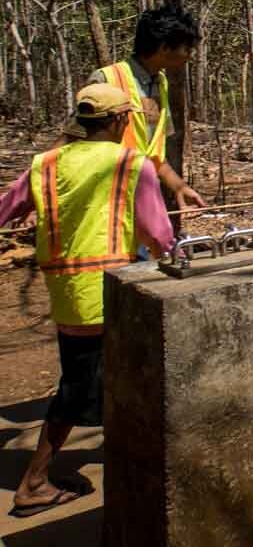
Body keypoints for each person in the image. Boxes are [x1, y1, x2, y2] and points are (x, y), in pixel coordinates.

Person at [0, 85, 174, 517]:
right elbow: (158, 234)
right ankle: (33, 484)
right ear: (118, 122)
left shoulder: (46, 164)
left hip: (66, 292)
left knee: (97, 378)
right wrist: (174, 251)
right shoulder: (130, 163)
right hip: (116, 288)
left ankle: (128, 456)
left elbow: (7, 208)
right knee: (80, 387)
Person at [89, 6, 206, 213]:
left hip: (140, 200)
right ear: (164, 47)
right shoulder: (106, 80)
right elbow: (71, 145)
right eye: (186, 48)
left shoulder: (160, 82)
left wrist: (179, 186)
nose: (190, 55)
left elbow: (152, 153)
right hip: (104, 205)